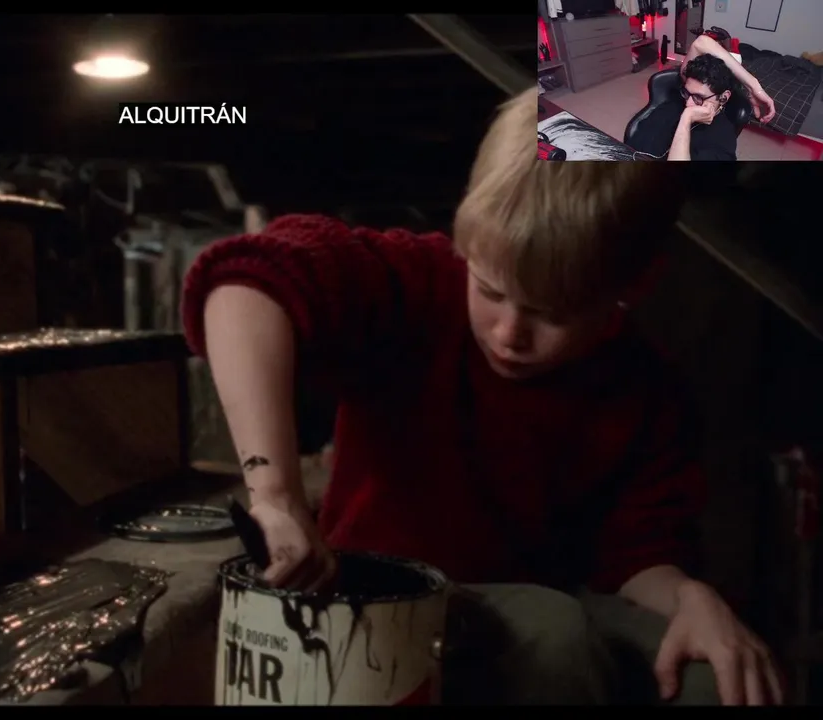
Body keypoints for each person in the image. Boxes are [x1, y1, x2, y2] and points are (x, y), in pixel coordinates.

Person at [182, 86, 783, 705]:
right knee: (554, 636)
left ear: (633, 285)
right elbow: (244, 284)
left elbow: (638, 557)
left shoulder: (646, 389)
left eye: (551, 312)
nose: (509, 333)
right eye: (490, 291)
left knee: (717, 676)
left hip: (556, 600)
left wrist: (690, 597)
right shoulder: (415, 286)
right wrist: (275, 496)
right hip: (384, 597)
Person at [630, 35, 777, 161]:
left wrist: (686, 119)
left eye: (698, 98)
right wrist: (753, 86)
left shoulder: (722, 141)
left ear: (723, 97)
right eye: (686, 93)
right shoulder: (687, 90)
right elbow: (701, 43)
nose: (688, 103)